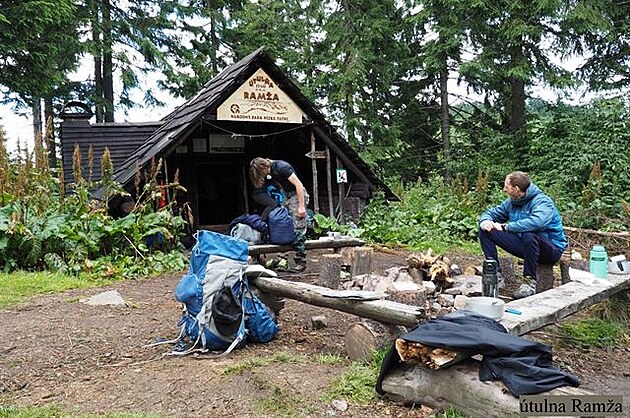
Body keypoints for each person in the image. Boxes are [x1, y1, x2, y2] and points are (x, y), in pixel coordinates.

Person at [478, 171, 567, 299]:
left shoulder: (542, 202)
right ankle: (495, 274)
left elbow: (537, 222)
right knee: (486, 230)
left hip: (551, 250)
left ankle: (529, 282)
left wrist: (505, 227)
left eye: (507, 187)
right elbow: (493, 213)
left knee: (528, 234)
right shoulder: (512, 202)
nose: (504, 190)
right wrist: (485, 221)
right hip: (526, 246)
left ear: (517, 189)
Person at [249, 157, 309, 272]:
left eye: (262, 174)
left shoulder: (282, 167)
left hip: (298, 195)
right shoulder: (268, 170)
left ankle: (301, 260)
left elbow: (299, 185)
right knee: (283, 226)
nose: (263, 176)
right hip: (286, 195)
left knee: (298, 227)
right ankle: (283, 260)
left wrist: (301, 206)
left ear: (266, 167)